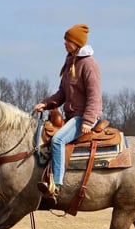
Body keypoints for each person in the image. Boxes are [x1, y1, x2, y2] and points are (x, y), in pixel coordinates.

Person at [33, 23, 103, 199]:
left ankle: (56, 184)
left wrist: (87, 121)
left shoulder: (88, 65)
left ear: (76, 43)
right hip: (72, 116)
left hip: (84, 116)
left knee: (58, 140)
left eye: (68, 40)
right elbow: (62, 93)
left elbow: (94, 95)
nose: (64, 43)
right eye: (65, 39)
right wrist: (46, 103)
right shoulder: (70, 62)